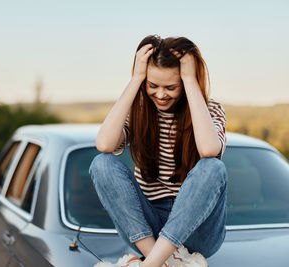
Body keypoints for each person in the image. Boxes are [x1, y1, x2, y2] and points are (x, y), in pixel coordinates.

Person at [89, 34, 228, 267]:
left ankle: (151, 264)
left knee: (213, 166)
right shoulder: (140, 112)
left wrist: (191, 80)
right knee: (101, 163)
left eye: (171, 87)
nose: (161, 94)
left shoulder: (211, 110)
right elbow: (104, 144)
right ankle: (163, 260)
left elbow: (208, 150)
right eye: (153, 85)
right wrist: (136, 78)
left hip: (198, 231)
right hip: (148, 229)